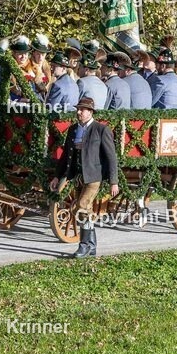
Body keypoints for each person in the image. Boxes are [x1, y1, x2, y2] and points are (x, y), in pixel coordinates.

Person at [48, 97, 119, 259]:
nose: (78, 112)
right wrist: (57, 176)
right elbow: (65, 156)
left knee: (80, 206)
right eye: (78, 109)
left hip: (94, 176)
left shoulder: (101, 130)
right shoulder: (73, 130)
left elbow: (111, 157)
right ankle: (92, 246)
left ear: (90, 112)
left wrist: (113, 181)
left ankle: (84, 245)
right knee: (84, 210)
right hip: (78, 175)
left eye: (82, 109)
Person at [8, 34, 53, 102]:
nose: (23, 56)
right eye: (20, 54)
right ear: (14, 53)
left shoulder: (34, 67)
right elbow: (6, 90)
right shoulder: (9, 68)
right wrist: (20, 99)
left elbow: (42, 88)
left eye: (25, 53)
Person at [151, 37, 177, 109]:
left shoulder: (160, 80)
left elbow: (150, 102)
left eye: (157, 65)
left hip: (162, 119)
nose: (156, 67)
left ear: (163, 66)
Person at [46, 47, 81, 113]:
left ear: (63, 68)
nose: (51, 68)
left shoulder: (57, 85)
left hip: (58, 120)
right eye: (51, 65)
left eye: (54, 66)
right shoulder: (74, 83)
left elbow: (50, 108)